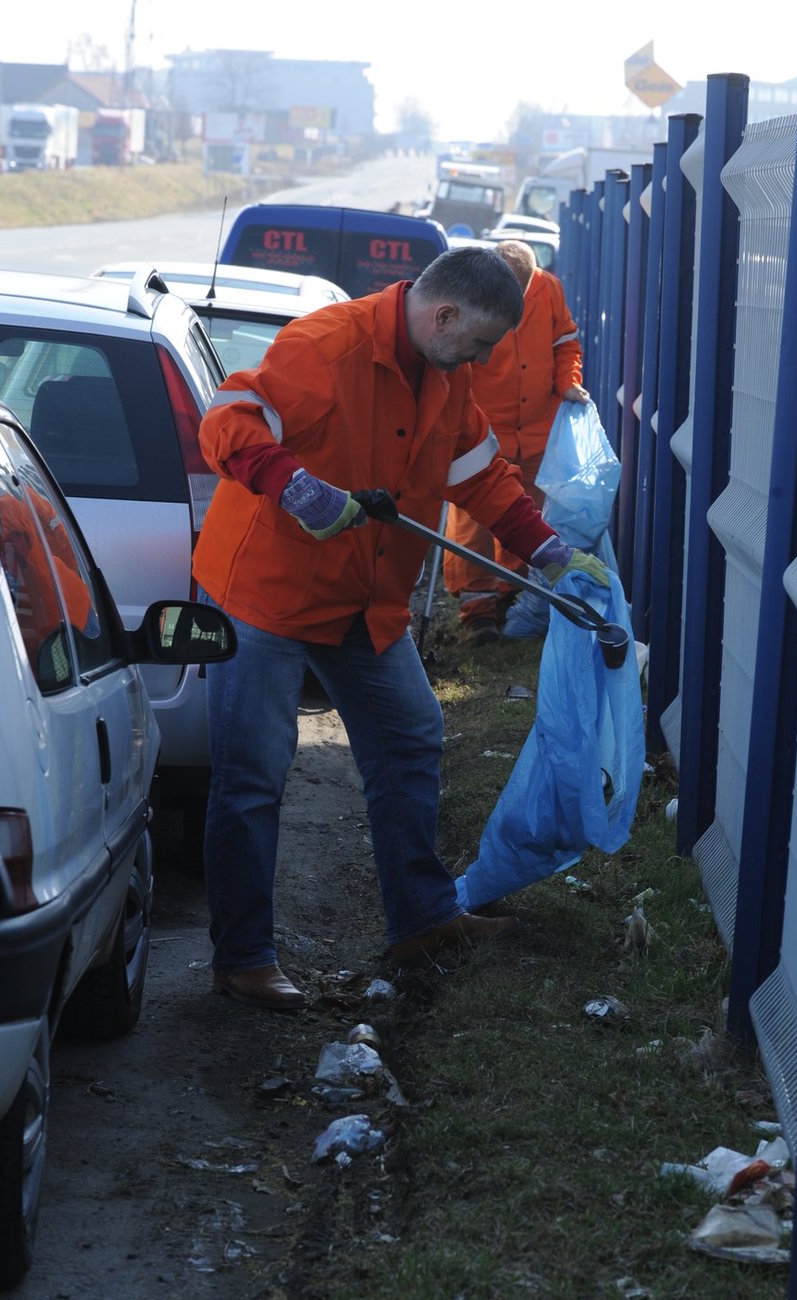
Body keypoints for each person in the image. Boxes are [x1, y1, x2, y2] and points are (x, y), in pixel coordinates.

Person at [192, 246, 609, 1011]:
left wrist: (550, 550)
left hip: (364, 596)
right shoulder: (325, 347)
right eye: (480, 344)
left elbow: (480, 474)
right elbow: (227, 421)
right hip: (268, 593)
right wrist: (295, 486)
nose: (484, 361)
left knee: (412, 735)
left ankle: (422, 917)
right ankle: (243, 957)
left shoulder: (446, 378)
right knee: (253, 773)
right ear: (443, 315)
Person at [442, 239, 590, 644]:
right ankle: (478, 611)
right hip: (483, 432)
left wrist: (569, 384)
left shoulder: (550, 289)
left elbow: (565, 344)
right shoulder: (471, 292)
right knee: (474, 521)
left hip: (537, 432)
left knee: (526, 515)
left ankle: (512, 594)